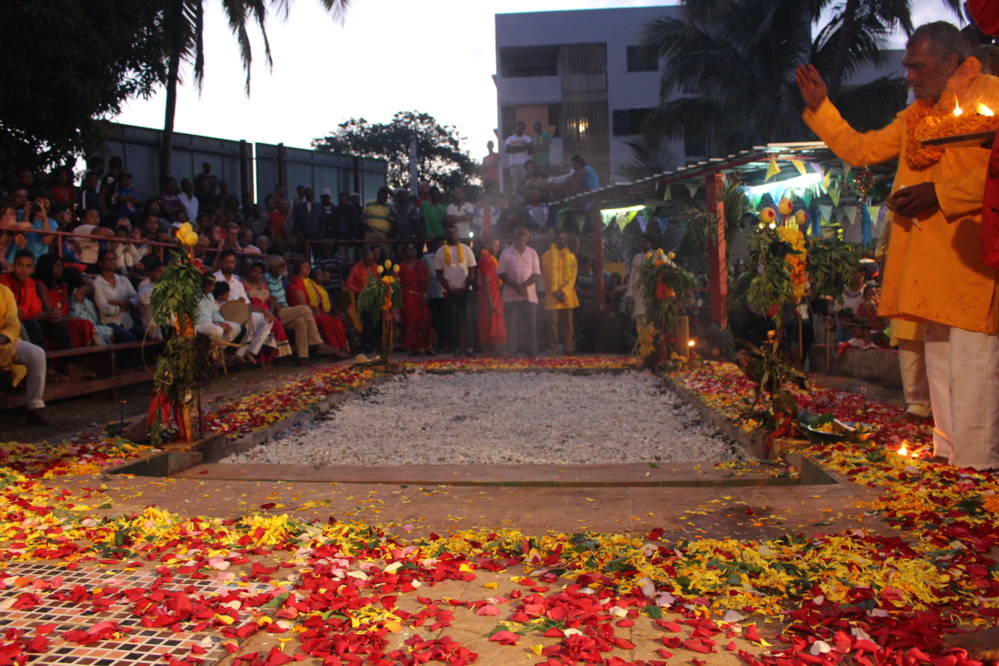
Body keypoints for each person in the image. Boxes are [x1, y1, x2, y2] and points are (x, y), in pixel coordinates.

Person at [795, 21, 999, 469]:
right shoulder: (916, 117)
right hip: (927, 265)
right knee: (942, 369)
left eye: (916, 66)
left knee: (973, 373)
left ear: (951, 62)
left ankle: (979, 471)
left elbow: (994, 175)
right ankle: (948, 459)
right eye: (906, 67)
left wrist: (939, 194)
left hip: (972, 266)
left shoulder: (993, 94)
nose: (908, 76)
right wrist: (822, 107)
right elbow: (863, 149)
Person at [264, 255, 341, 364]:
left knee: (301, 321)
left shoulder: (279, 277)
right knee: (305, 309)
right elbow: (276, 305)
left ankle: (302, 357)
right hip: (277, 313)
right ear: (273, 267)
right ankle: (319, 343)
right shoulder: (268, 278)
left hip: (285, 310)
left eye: (284, 263)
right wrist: (287, 308)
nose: (285, 266)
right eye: (281, 265)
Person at [214, 249, 275, 365]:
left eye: (232, 262)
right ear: (221, 262)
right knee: (253, 319)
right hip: (221, 315)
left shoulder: (237, 283)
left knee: (264, 318)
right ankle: (239, 353)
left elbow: (247, 304)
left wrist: (264, 311)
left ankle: (245, 352)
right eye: (226, 262)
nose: (229, 265)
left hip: (239, 314)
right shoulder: (214, 279)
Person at [0, 283, 48, 425]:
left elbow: (13, 324)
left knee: (36, 354)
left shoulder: (4, 291)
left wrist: (1, 339)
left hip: (5, 342)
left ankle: (35, 406)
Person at [287, 259, 350, 357]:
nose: (308, 269)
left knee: (334, 319)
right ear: (298, 269)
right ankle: (330, 350)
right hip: (302, 312)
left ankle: (341, 348)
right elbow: (302, 304)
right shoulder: (296, 282)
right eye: (305, 267)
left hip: (313, 310)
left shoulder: (310, 282)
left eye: (308, 266)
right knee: (325, 320)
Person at [498, 225, 541, 357]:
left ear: (528, 237)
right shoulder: (506, 253)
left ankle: (531, 352)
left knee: (530, 326)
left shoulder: (533, 253)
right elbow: (501, 274)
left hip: (529, 296)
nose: (521, 236)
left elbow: (537, 273)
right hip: (511, 297)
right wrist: (517, 286)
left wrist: (523, 286)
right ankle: (511, 351)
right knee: (511, 326)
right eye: (519, 234)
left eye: (524, 234)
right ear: (514, 236)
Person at [434, 223, 477, 355]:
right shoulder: (440, 252)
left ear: (458, 234)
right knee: (452, 319)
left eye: (454, 232)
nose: (451, 234)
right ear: (446, 235)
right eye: (449, 232)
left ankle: (469, 347)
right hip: (449, 290)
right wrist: (449, 288)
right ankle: (456, 347)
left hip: (466, 289)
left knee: (468, 318)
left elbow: (472, 271)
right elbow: (439, 274)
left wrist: (464, 287)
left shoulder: (466, 249)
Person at [240, 261, 292, 363]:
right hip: (254, 313)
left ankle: (279, 357)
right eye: (255, 271)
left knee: (278, 327)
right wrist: (264, 313)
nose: (257, 274)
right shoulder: (242, 284)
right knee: (266, 329)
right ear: (250, 271)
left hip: (268, 313)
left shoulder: (264, 284)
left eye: (260, 273)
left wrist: (270, 312)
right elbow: (246, 304)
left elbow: (271, 302)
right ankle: (262, 359)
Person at [92, 249, 144, 343]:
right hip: (110, 322)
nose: (112, 262)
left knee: (148, 335)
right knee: (131, 339)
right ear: (101, 263)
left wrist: (121, 303)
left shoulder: (123, 279)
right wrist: (124, 307)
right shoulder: (96, 283)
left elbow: (136, 298)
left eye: (114, 259)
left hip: (127, 321)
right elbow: (105, 309)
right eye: (108, 259)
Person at [541, 229, 579, 355]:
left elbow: (573, 277)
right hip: (553, 294)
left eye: (564, 238)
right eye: (560, 238)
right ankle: (554, 348)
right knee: (553, 323)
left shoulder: (572, 257)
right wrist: (555, 292)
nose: (562, 240)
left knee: (568, 323)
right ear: (554, 239)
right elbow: (546, 276)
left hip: (567, 295)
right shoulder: (547, 256)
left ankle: (568, 347)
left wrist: (564, 292)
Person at [398, 243, 432, 355]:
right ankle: (412, 348)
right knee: (411, 322)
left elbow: (427, 280)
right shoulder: (401, 267)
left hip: (421, 296)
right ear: (405, 252)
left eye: (413, 249)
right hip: (408, 297)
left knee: (425, 321)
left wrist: (426, 294)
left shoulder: (421, 265)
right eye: (409, 249)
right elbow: (396, 283)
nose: (411, 251)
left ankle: (426, 347)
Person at [477, 238, 506, 354]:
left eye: (498, 246)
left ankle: (491, 349)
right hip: (490, 294)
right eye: (495, 246)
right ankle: (493, 349)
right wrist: (490, 301)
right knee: (492, 321)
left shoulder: (488, 259)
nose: (497, 249)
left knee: (491, 320)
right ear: (488, 245)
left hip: (492, 292)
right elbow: (485, 281)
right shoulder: (487, 260)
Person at [194, 274, 241, 344]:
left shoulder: (210, 295)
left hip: (211, 323)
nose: (214, 286)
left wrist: (222, 322)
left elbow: (215, 312)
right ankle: (209, 351)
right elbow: (198, 318)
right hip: (199, 325)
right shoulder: (195, 296)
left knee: (236, 327)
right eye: (213, 284)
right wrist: (216, 324)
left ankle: (220, 350)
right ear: (209, 286)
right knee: (218, 330)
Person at [423, 238, 445, 353]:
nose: (440, 245)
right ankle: (433, 344)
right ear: (434, 245)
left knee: (444, 319)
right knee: (433, 319)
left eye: (442, 244)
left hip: (444, 292)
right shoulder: (426, 258)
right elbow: (423, 275)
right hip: (431, 293)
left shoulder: (448, 257)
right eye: (439, 243)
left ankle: (443, 343)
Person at [626, 234, 653, 326]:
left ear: (650, 244)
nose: (643, 244)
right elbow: (632, 276)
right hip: (638, 293)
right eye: (642, 242)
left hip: (650, 292)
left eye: (645, 242)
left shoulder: (656, 256)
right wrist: (630, 294)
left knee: (650, 318)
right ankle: (642, 339)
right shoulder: (636, 257)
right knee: (639, 318)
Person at [361, 187, 393, 256]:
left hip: (385, 235)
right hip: (371, 233)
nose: (381, 198)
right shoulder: (369, 204)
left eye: (384, 197)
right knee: (369, 255)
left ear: (387, 197)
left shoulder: (391, 206)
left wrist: (390, 231)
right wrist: (366, 224)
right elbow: (362, 217)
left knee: (386, 256)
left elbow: (394, 221)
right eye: (380, 196)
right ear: (377, 194)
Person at [504, 121, 532, 191]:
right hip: (514, 165)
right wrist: (522, 147)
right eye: (518, 127)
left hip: (525, 165)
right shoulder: (510, 138)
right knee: (516, 185)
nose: (519, 129)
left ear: (524, 129)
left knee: (526, 184)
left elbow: (528, 147)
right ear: (515, 128)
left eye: (521, 127)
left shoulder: (527, 138)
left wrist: (514, 148)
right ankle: (518, 201)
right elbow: (507, 149)